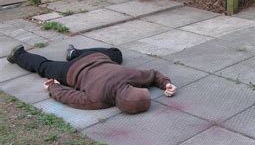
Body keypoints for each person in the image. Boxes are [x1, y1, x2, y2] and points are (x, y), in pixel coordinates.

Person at [7, 44, 177, 114]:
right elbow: (70, 97)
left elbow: (153, 74)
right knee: (44, 67)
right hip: (71, 72)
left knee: (115, 54)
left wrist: (166, 83)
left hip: (94, 57)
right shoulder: (98, 100)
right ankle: (19, 55)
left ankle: (75, 53)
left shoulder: (132, 76)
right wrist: (53, 87)